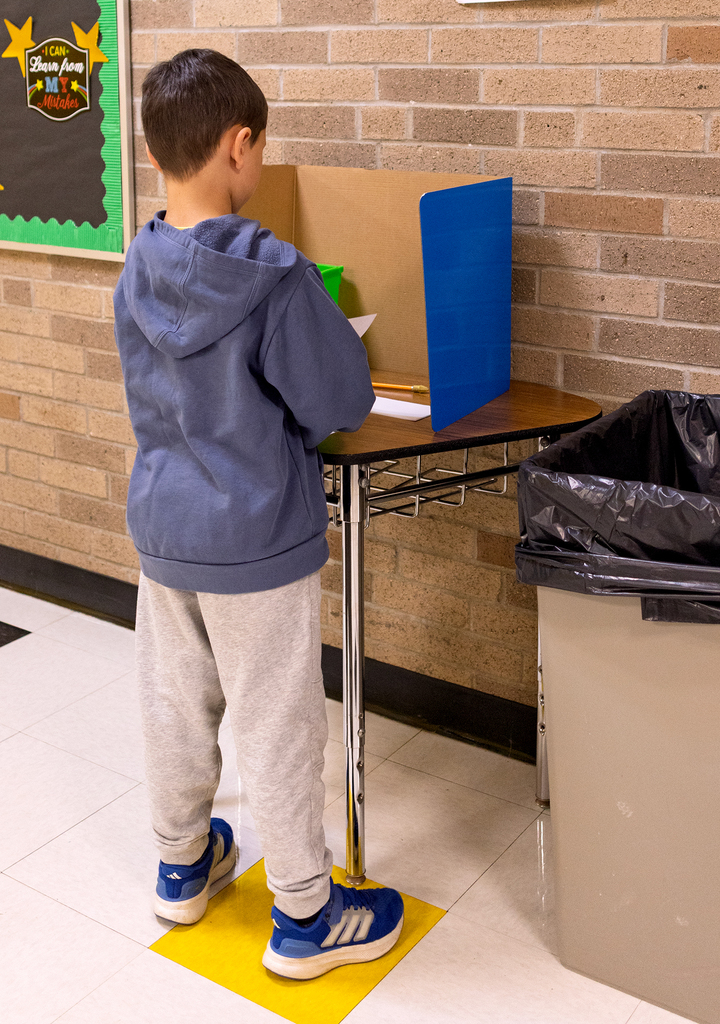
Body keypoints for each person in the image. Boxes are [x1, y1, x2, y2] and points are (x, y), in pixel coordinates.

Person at [113, 48, 404, 981]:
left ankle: (181, 862)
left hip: (165, 531)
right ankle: (309, 919)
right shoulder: (277, 277)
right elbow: (338, 402)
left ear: (156, 154)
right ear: (241, 147)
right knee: (276, 721)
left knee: (173, 704)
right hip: (258, 540)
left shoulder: (137, 264)